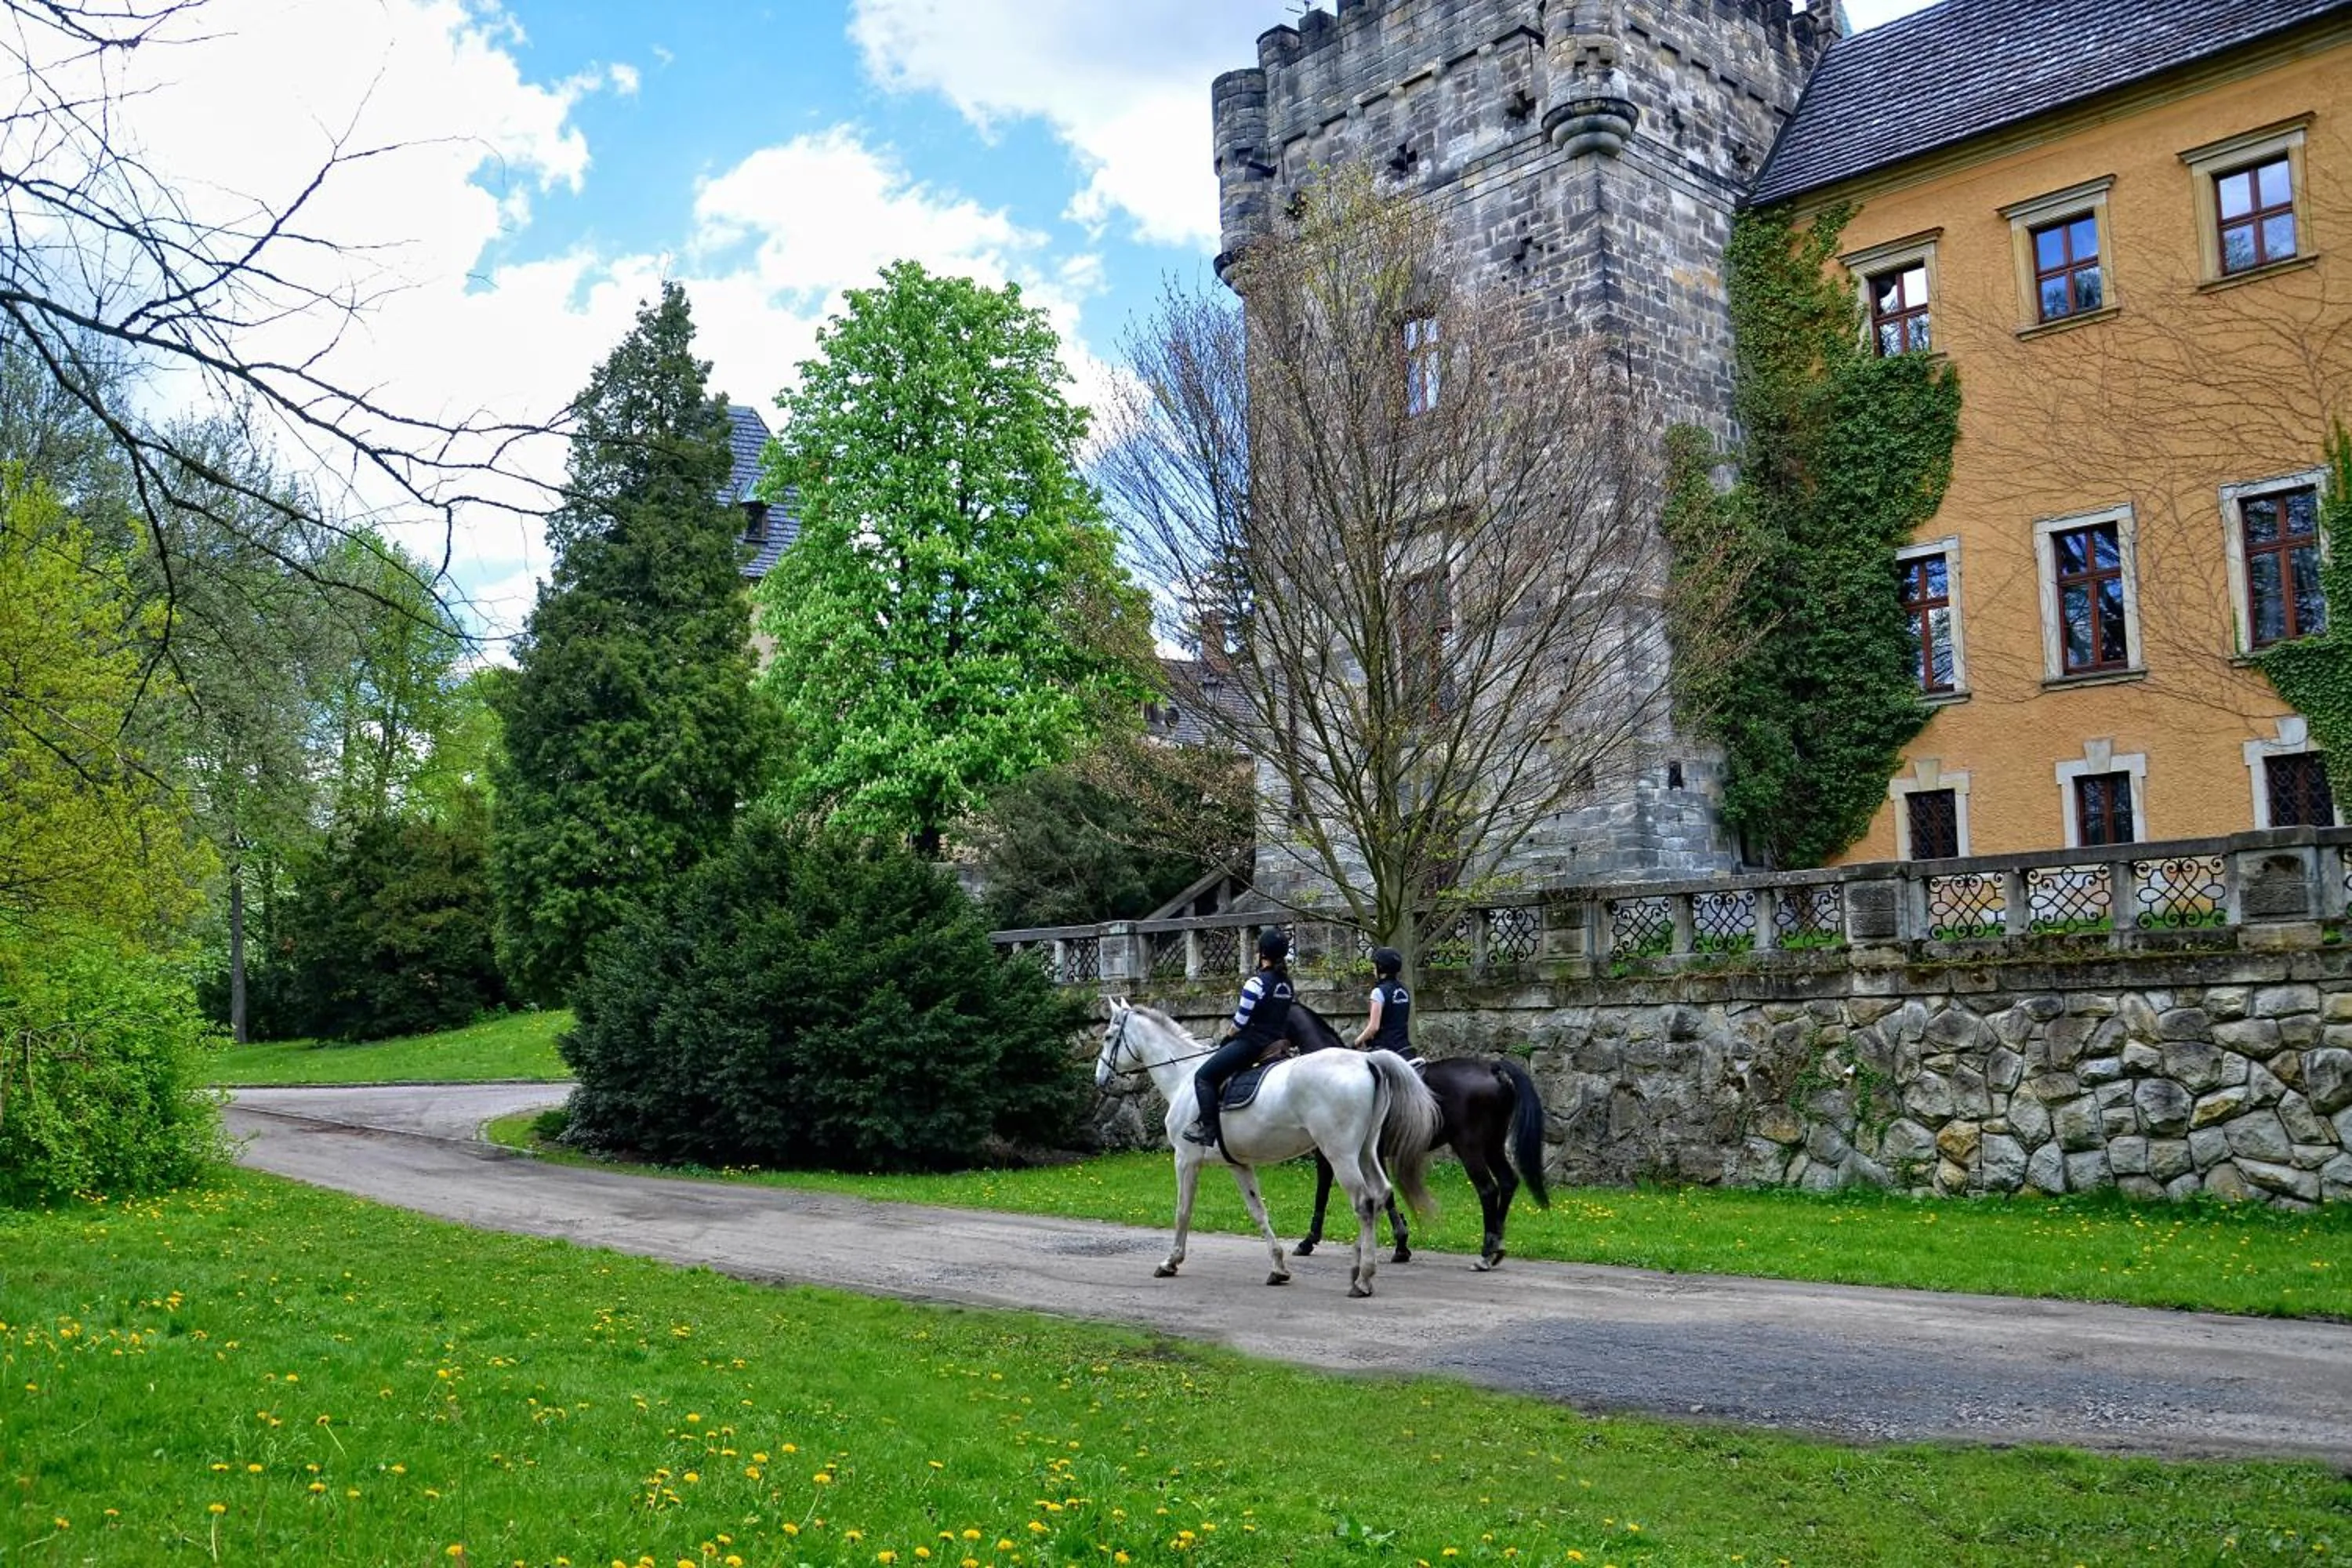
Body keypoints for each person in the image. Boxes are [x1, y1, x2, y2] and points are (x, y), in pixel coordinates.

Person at [1185, 929, 1296, 1150]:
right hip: (1277, 1043)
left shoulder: (1256, 983)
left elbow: (1240, 1022)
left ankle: (1207, 1130)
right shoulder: (1288, 984)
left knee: (1204, 1077)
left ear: (1262, 953)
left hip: (1252, 1044)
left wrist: (1227, 1037)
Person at [1352, 946, 1420, 1065]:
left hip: (1385, 1051)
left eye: (1375, 965)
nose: (1373, 969)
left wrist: (1356, 1042)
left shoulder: (1378, 992)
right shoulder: (1403, 990)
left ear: (1380, 967)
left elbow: (1374, 1027)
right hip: (1405, 1049)